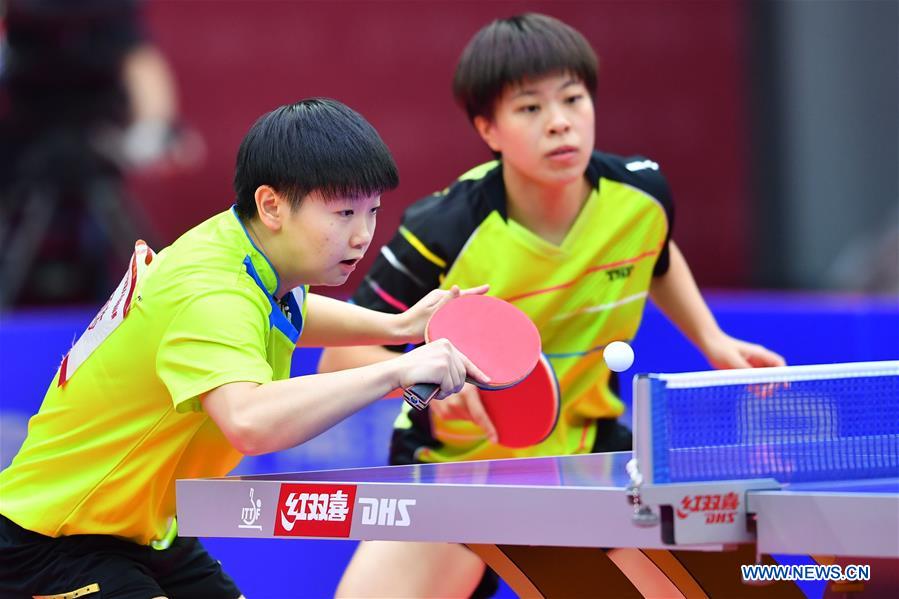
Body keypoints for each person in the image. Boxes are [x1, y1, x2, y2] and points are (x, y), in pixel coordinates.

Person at [320, 14, 786, 598]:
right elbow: (340, 360)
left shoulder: (641, 196)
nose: (560, 122)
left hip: (588, 463)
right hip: (456, 470)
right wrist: (428, 388)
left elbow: (657, 256)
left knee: (726, 585)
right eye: (530, 108)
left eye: (573, 98)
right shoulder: (441, 228)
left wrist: (711, 338)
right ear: (489, 128)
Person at [0, 98, 489, 598]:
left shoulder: (243, 251)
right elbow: (250, 421)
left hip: (145, 527)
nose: (362, 235)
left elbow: (289, 313)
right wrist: (397, 371)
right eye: (344, 213)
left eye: (371, 212)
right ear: (271, 204)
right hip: (55, 540)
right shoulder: (212, 290)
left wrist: (399, 322)